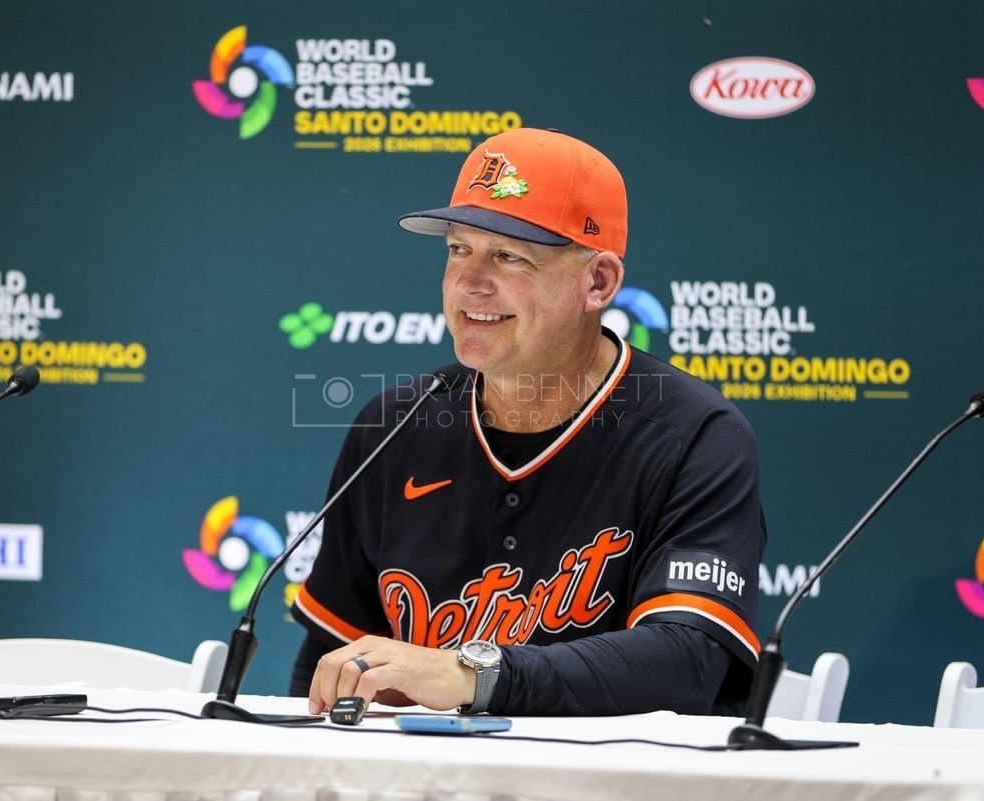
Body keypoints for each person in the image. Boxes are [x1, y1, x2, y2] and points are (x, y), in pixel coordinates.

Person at [290, 127, 766, 716]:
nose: (470, 281)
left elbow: (685, 659)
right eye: (458, 249)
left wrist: (473, 673)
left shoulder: (694, 435)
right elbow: (335, 654)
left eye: (509, 256)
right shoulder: (393, 426)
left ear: (598, 282)